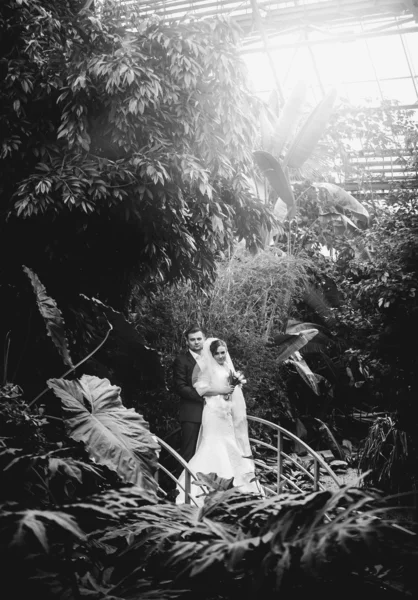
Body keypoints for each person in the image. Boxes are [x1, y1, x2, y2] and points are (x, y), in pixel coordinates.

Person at [176, 337, 263, 506]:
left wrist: (229, 393)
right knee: (213, 445)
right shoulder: (206, 368)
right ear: (212, 354)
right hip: (213, 412)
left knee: (230, 444)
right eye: (218, 354)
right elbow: (200, 389)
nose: (222, 356)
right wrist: (220, 391)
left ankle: (233, 486)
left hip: (226, 412)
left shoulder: (227, 367)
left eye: (224, 353)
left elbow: (229, 390)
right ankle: (205, 486)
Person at [173, 325, 232, 463]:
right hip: (192, 413)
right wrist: (204, 397)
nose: (196, 342)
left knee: (213, 451)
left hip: (214, 413)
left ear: (205, 339)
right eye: (192, 339)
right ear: (187, 341)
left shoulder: (214, 357)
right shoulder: (181, 361)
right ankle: (184, 484)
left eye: (199, 338)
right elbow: (180, 387)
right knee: (189, 452)